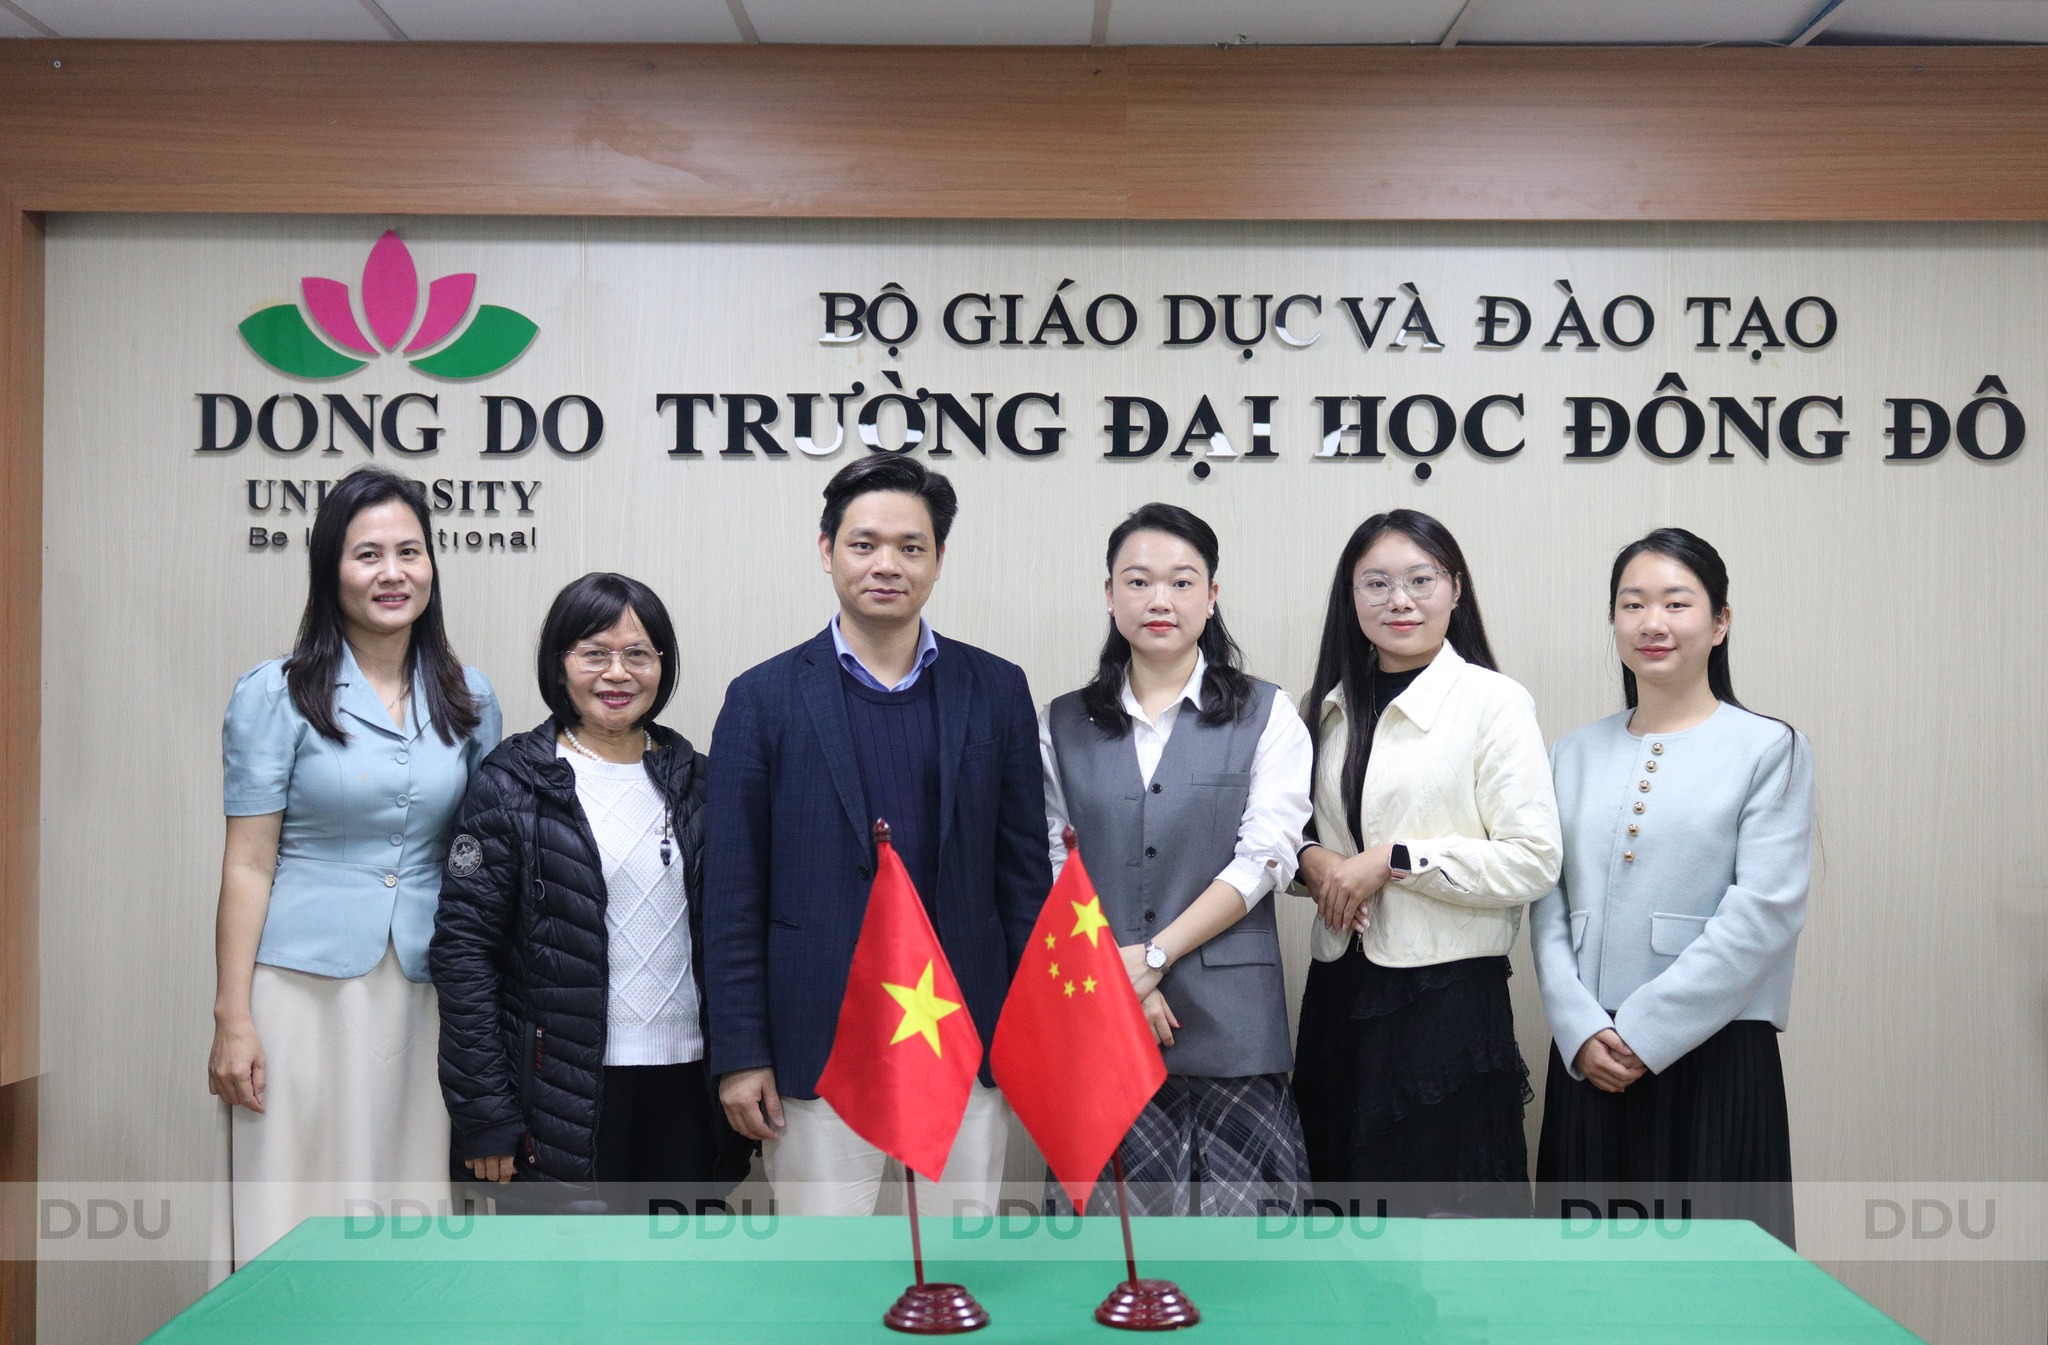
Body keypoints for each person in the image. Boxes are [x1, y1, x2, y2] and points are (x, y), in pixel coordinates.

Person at [704, 454, 1051, 1216]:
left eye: (910, 546)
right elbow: (730, 896)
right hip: (818, 1041)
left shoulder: (997, 689)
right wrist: (740, 1053)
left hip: (962, 1031)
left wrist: (1032, 1037)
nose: (886, 564)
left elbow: (1024, 880)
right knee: (827, 1270)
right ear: (825, 550)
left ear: (939, 558)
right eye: (863, 544)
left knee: (959, 1264)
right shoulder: (761, 698)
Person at [209, 466, 501, 1264]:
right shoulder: (274, 693)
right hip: (298, 989)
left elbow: (479, 860)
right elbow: (248, 864)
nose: (392, 572)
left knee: (403, 1198)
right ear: (330, 568)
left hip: (426, 988)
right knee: (291, 1195)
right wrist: (232, 1016)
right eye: (367, 554)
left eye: (409, 551)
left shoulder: (470, 697)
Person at [1531, 528, 1812, 1247]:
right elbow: (1546, 901)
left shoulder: (1769, 747)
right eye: (1633, 604)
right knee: (1588, 1285)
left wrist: (1645, 1032)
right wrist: (1578, 1027)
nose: (1652, 622)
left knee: (1714, 1286)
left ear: (1719, 623)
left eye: (1676, 603)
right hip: (1590, 1056)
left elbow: (1765, 911)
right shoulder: (1569, 752)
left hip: (1715, 1055)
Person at [1040, 503, 1312, 1216]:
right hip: (1100, 1015)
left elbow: (1267, 857)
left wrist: (1153, 958)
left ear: (1212, 595)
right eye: (1138, 581)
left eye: (1182, 581)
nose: (1159, 599)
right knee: (1110, 1252)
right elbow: (1051, 865)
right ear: (1109, 595)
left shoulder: (1269, 714)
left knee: (1246, 1254)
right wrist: (1120, 975)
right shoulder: (1059, 722)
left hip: (1233, 1029)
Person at [432, 573, 734, 1207]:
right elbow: (464, 955)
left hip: (686, 1084)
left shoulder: (700, 784)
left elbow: (735, 940)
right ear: (560, 663)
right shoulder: (512, 784)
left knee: (681, 1265)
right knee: (569, 1267)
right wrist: (483, 1109)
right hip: (558, 1091)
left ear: (662, 666)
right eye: (595, 653)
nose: (617, 673)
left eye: (638, 654)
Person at [1290, 508, 1560, 1217]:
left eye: (1420, 580)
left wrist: (1396, 859)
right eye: (1376, 583)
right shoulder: (1326, 704)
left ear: (1455, 588)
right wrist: (1312, 858)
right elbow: (1290, 832)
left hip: (1445, 1003)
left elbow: (1534, 861)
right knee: (1341, 1217)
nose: (1399, 600)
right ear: (1351, 596)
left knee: (1442, 1227)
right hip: (1340, 990)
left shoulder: (1493, 701)